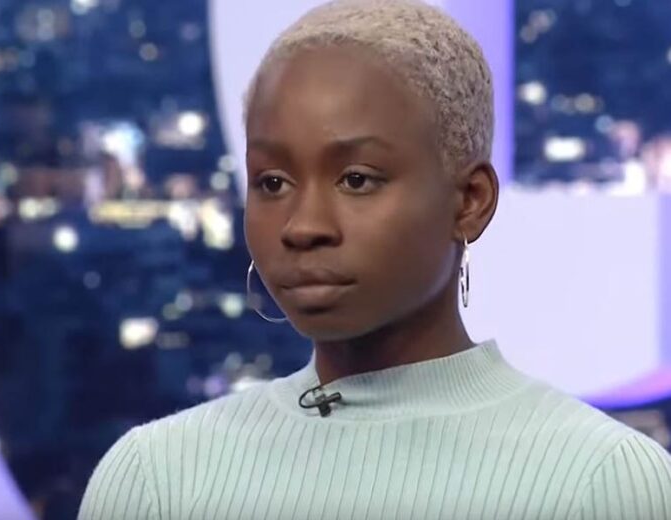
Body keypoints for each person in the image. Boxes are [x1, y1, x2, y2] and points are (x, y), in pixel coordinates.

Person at [77, 0, 671, 518]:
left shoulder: (604, 483)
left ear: (470, 201)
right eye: (273, 182)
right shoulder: (156, 481)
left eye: (357, 179)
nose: (303, 226)